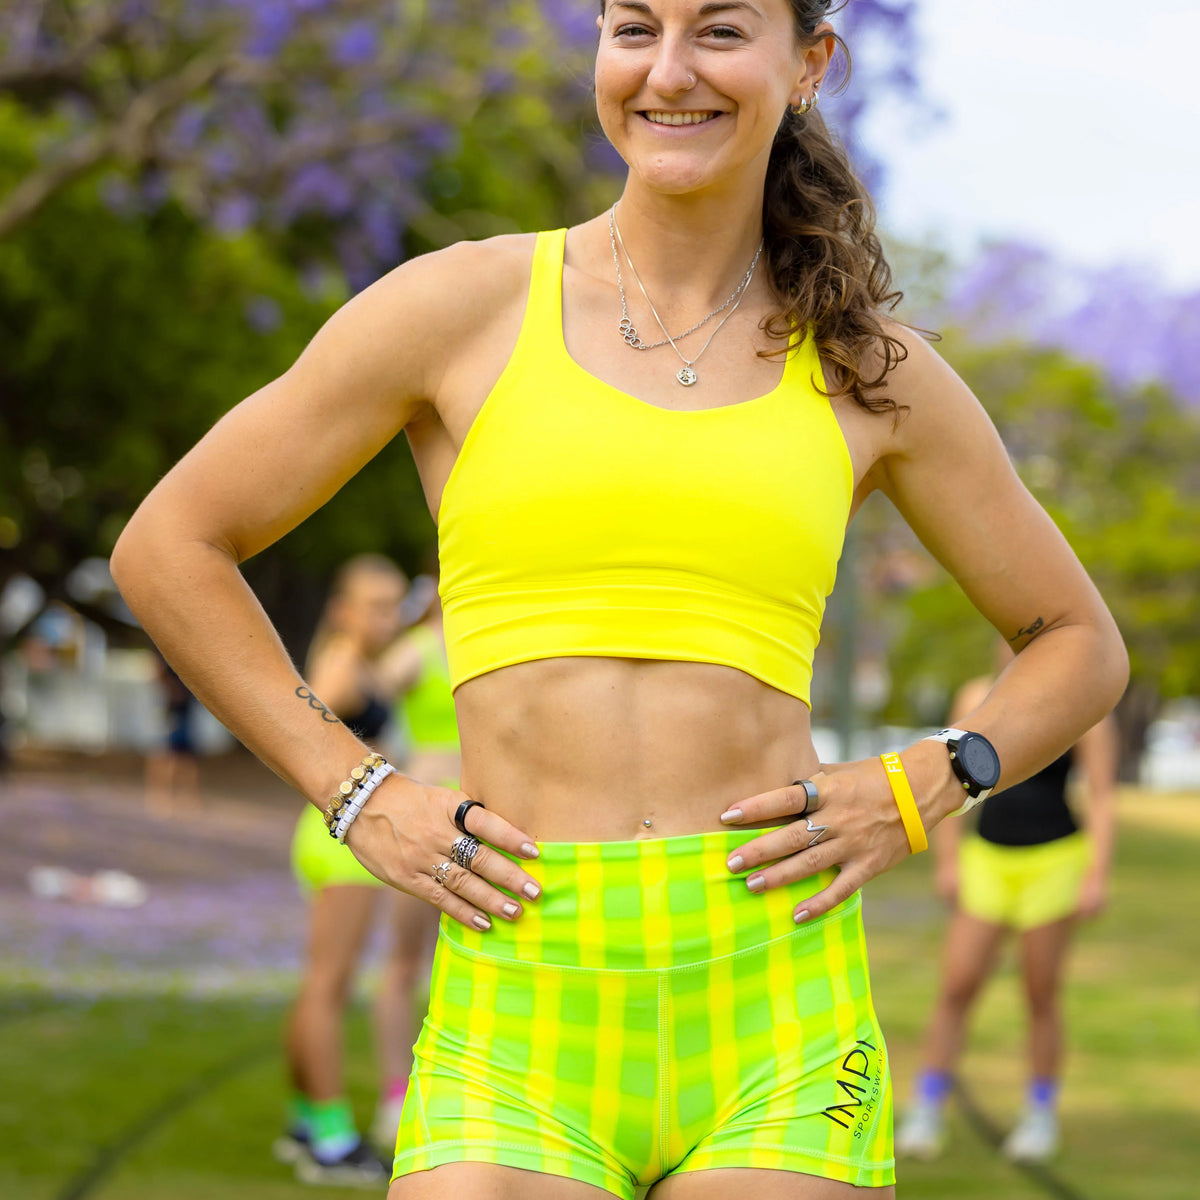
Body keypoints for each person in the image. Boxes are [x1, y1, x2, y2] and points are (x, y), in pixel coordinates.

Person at [110, 3, 1129, 1197]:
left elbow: (1078, 645)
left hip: (777, 998)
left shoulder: (870, 369)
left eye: (720, 31)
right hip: (518, 988)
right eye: (636, 27)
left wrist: (928, 780)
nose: (670, 70)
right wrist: (356, 791)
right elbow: (171, 544)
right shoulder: (460, 307)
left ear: (810, 64)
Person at [895, 650, 1119, 1165]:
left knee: (1040, 991)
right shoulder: (978, 696)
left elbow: (1103, 793)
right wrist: (947, 862)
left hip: (1054, 858)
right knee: (957, 983)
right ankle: (927, 1109)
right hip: (988, 856)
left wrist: (1096, 874)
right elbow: (952, 783)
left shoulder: (1084, 703)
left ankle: (1039, 1115)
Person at [278, 555, 439, 1187]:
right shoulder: (342, 660)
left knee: (320, 984)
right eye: (374, 604)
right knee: (328, 987)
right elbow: (305, 727)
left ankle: (302, 1123)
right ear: (343, 609)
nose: (388, 616)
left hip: (333, 833)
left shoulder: (365, 659)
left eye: (394, 603)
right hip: (337, 840)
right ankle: (333, 1140)